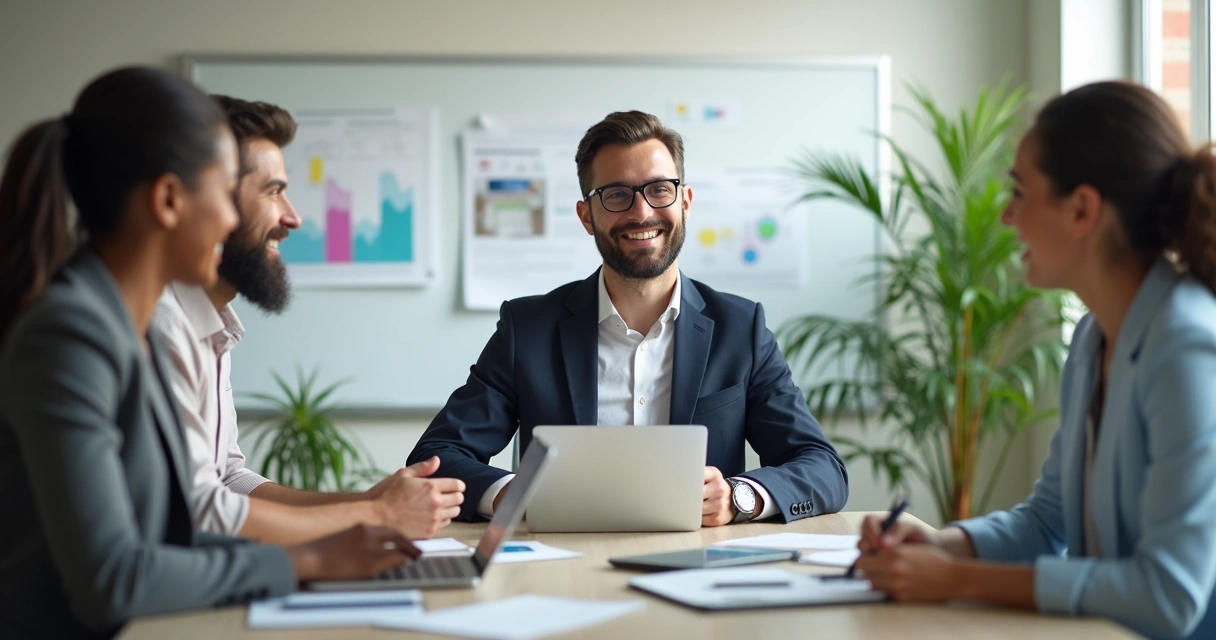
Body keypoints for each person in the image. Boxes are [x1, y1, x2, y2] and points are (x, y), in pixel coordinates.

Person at [0, 67, 417, 640]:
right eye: (222, 194)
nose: (228, 221)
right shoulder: (71, 334)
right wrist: (311, 560)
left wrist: (342, 534)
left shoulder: (127, 325)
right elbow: (115, 580)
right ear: (169, 200)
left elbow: (181, 517)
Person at [854, 81, 1216, 640]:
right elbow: (1050, 520)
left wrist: (958, 579)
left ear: (1081, 209)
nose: (1005, 217)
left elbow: (1168, 595)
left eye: (1020, 193)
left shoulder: (1189, 348)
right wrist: (942, 543)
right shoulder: (1095, 336)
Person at [408, 110, 847, 526]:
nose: (641, 213)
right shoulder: (529, 328)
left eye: (659, 190)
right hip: (560, 571)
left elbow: (822, 468)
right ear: (587, 216)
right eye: (616, 195)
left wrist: (739, 497)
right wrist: (513, 494)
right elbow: (437, 457)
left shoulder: (740, 328)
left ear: (685, 202)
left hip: (701, 569)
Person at [152, 95, 464, 545]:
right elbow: (199, 509)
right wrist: (372, 514)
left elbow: (228, 478)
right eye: (272, 190)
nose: (293, 217)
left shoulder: (212, 323)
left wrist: (359, 506)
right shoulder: (162, 325)